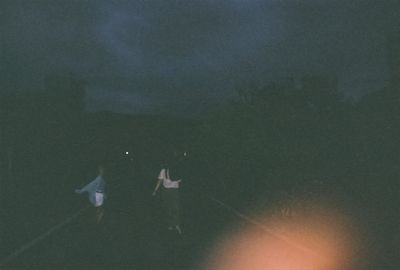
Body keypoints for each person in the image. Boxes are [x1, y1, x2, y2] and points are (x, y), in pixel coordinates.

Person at [153, 158, 182, 234]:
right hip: (171, 190)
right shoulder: (164, 170)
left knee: (173, 207)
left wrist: (155, 190)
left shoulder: (175, 170)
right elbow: (160, 181)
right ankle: (172, 224)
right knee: (171, 207)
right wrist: (155, 190)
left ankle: (175, 224)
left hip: (170, 190)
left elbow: (159, 181)